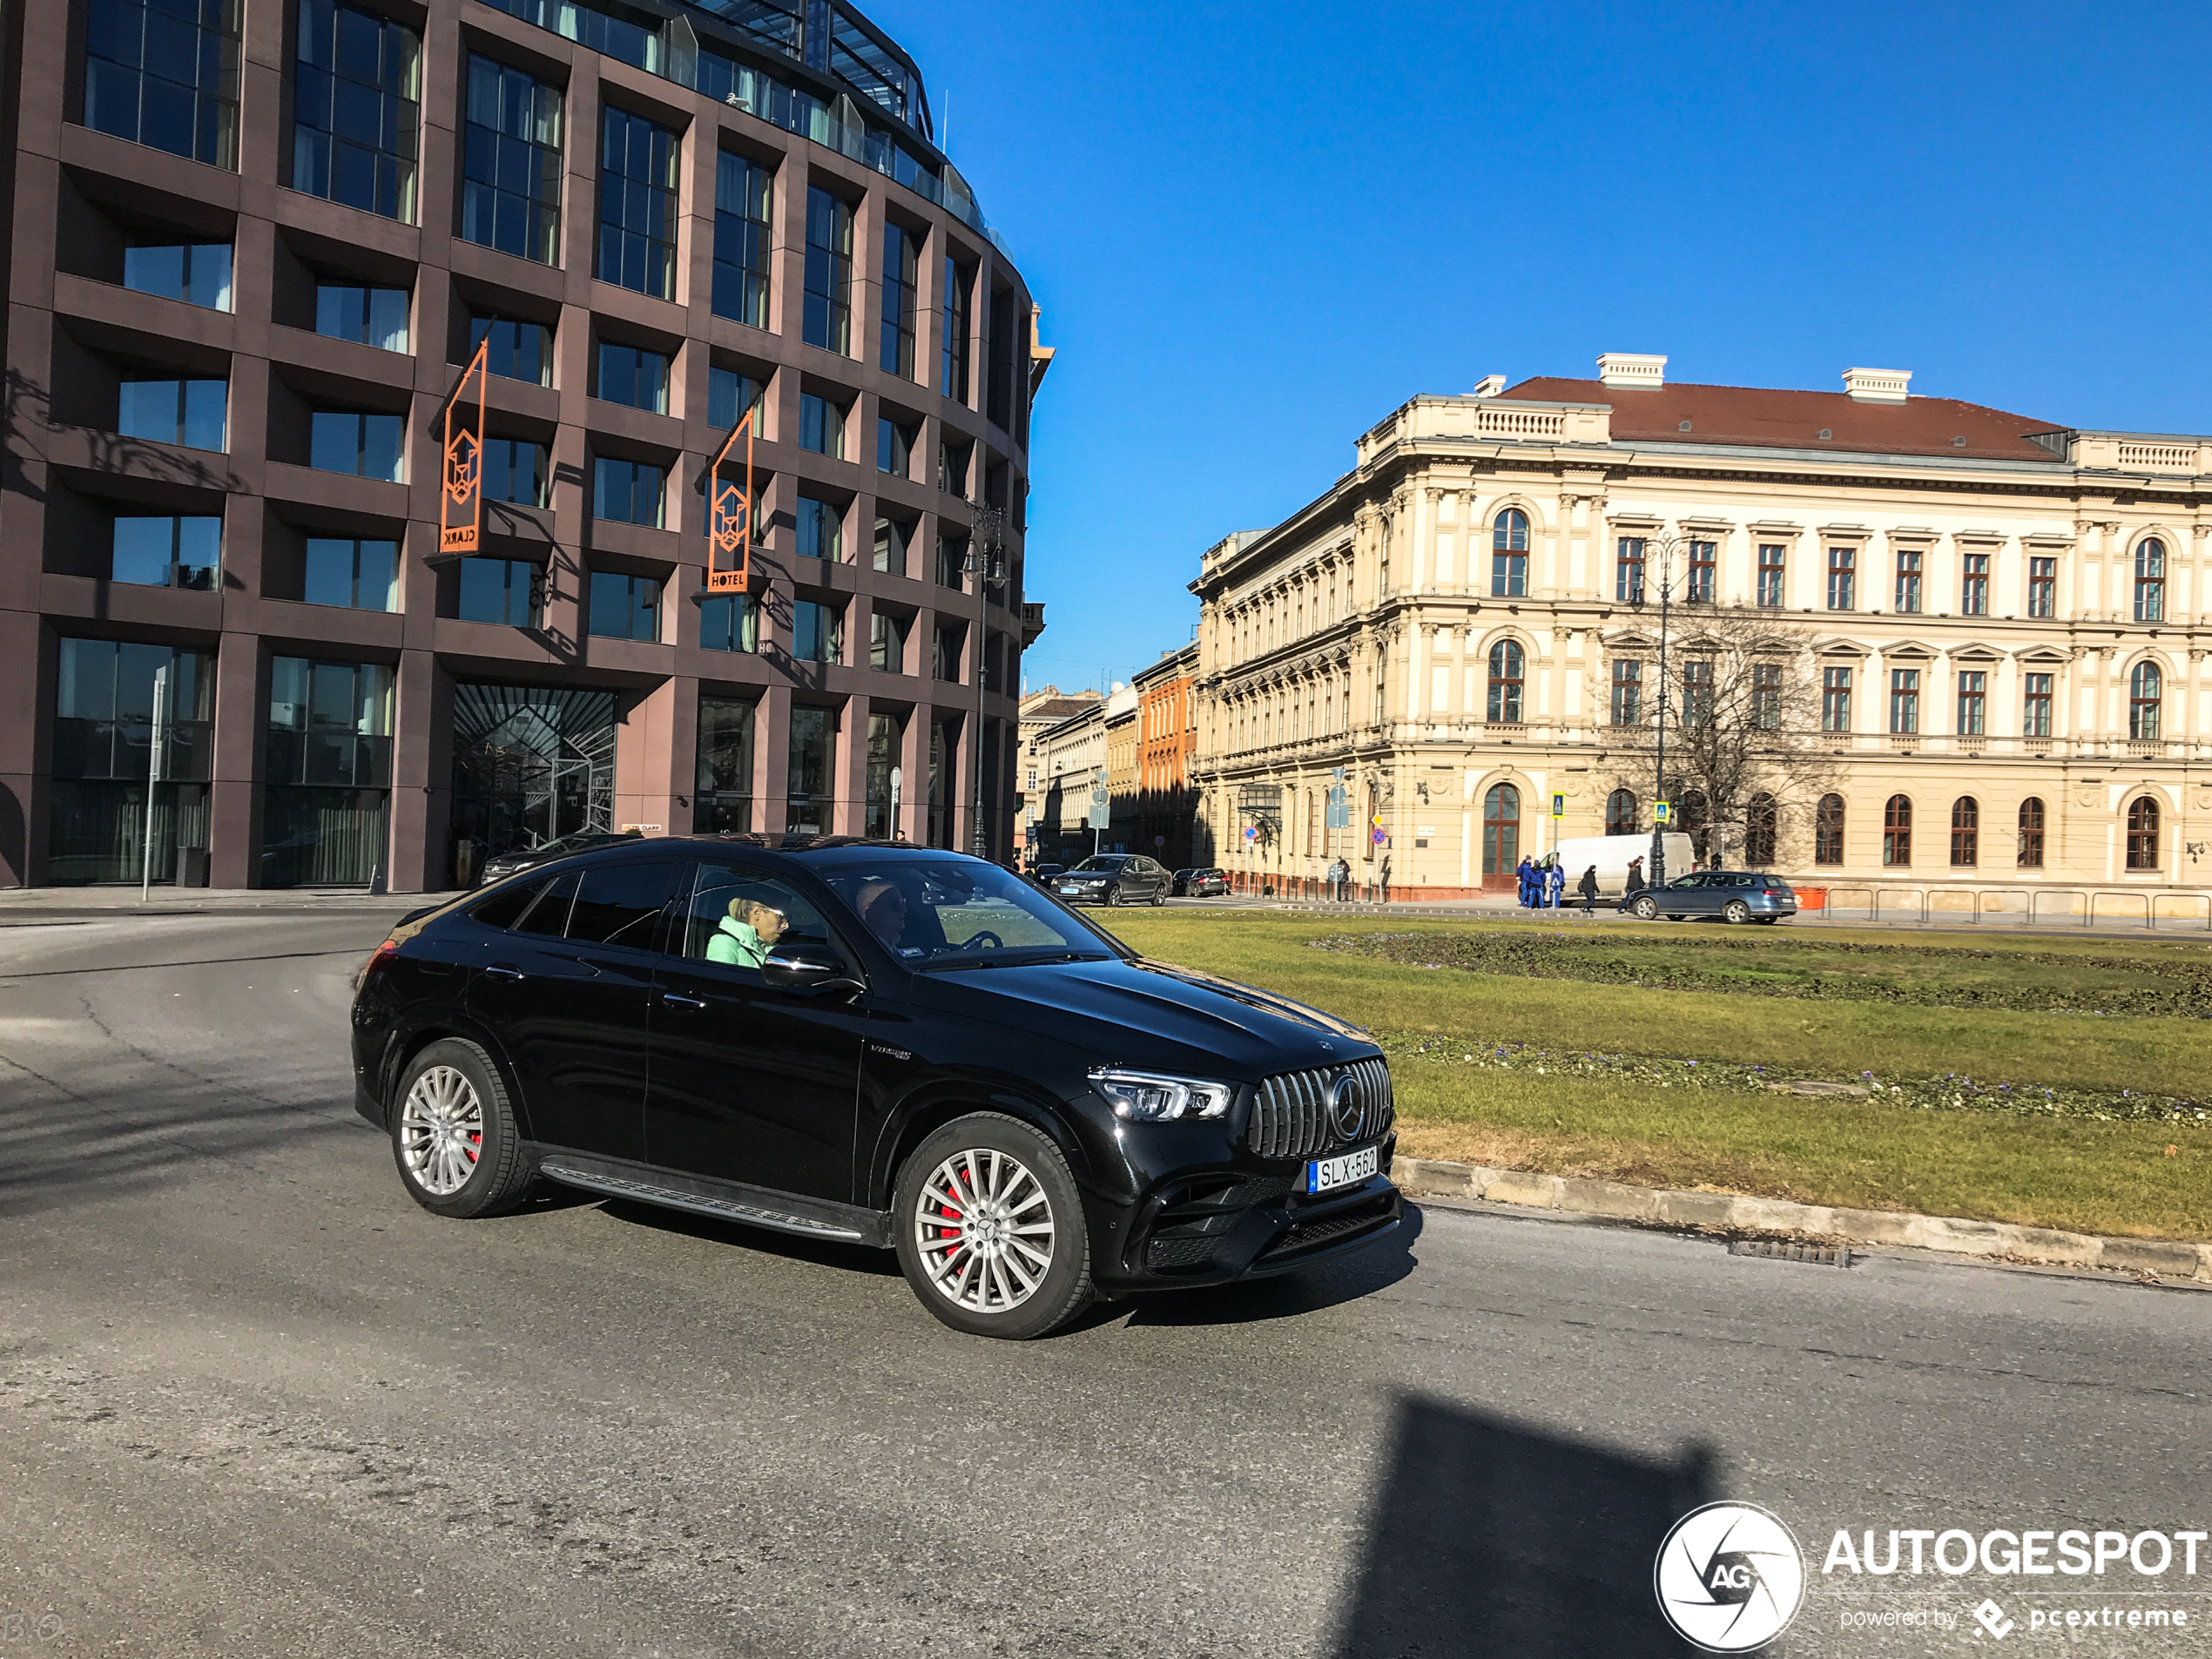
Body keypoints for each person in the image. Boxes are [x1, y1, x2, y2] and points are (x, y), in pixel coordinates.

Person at [706, 896, 786, 968]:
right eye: (780, 916)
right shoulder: (723, 943)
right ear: (757, 913)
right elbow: (721, 980)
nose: (786, 926)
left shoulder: (769, 947)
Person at [855, 878, 908, 949]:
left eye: (902, 903)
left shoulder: (892, 942)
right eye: (895, 904)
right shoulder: (863, 950)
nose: (904, 909)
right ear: (870, 912)